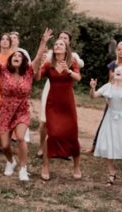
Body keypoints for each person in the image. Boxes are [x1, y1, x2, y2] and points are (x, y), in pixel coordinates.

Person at [0, 44, 43, 182]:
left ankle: (23, 168)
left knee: (21, 138)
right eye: (14, 56)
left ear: (24, 61)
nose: (17, 57)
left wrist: (43, 42)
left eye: (20, 56)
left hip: (21, 110)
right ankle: (11, 161)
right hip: (4, 110)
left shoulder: (28, 71)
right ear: (10, 59)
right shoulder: (3, 70)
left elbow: (38, 57)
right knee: (4, 145)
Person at [36, 29, 82, 181]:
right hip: (53, 104)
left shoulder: (72, 62)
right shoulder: (49, 64)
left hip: (67, 104)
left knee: (72, 135)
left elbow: (78, 78)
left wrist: (68, 71)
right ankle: (45, 166)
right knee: (53, 134)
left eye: (61, 44)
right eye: (56, 44)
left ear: (66, 48)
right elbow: (37, 77)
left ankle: (76, 166)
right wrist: (39, 62)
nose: (58, 46)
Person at [89, 64, 122, 188]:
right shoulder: (109, 86)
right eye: (116, 71)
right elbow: (93, 96)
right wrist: (92, 88)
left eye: (121, 71)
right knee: (106, 145)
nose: (117, 72)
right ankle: (111, 172)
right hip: (110, 118)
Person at [87, 41, 122, 153]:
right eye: (119, 49)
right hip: (113, 97)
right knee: (106, 120)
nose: (120, 51)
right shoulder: (112, 65)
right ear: (116, 51)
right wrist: (107, 96)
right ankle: (96, 145)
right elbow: (110, 81)